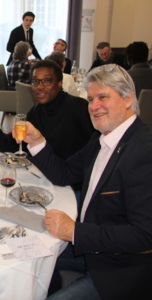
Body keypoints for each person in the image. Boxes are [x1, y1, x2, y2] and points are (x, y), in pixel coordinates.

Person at [21, 64, 152, 299]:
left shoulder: (144, 152)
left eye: (103, 97)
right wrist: (38, 141)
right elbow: (64, 174)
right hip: (90, 250)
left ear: (127, 98)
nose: (93, 106)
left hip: (118, 271)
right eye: (91, 99)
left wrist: (75, 232)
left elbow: (144, 235)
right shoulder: (100, 138)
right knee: (27, 254)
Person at [0, 59, 94, 164]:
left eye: (47, 81)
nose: (40, 87)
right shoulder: (36, 111)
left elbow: (94, 150)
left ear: (59, 84)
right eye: (35, 82)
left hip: (72, 182)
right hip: (43, 175)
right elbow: (15, 146)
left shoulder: (80, 108)